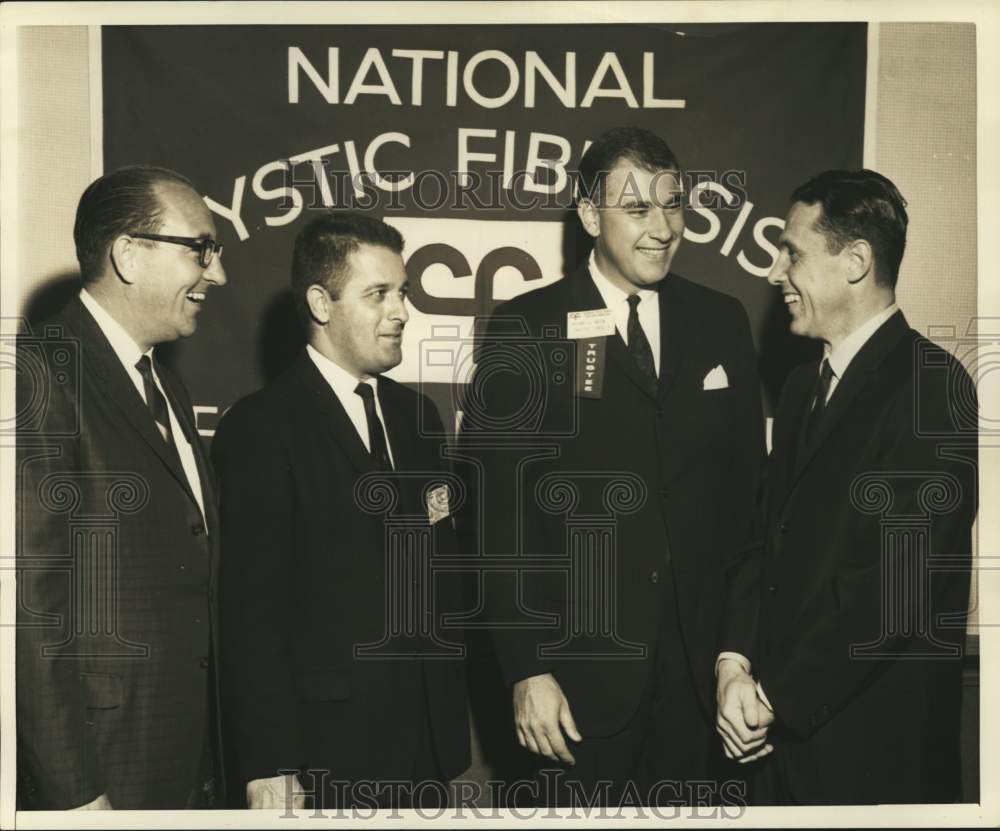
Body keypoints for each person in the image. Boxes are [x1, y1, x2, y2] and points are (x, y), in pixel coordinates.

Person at [458, 127, 766, 805]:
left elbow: (749, 508)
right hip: (574, 685)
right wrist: (525, 667)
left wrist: (734, 654)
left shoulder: (721, 321)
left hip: (699, 689)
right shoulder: (527, 326)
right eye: (638, 210)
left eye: (673, 205)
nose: (663, 229)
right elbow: (497, 514)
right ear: (591, 215)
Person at [716, 169, 978, 804]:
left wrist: (772, 699)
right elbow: (763, 539)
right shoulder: (805, 387)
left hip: (869, 765)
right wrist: (734, 664)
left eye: (794, 253)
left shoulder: (932, 390)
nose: (776, 272)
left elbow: (890, 585)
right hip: (777, 757)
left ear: (857, 261)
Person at [212, 212, 470, 811]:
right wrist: (269, 762)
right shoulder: (261, 428)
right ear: (321, 304)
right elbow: (250, 616)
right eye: (378, 294)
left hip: (427, 748)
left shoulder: (418, 417)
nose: (402, 311)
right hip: (323, 755)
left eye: (402, 292)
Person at [15, 166, 228, 809]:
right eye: (202, 249)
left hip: (182, 760)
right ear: (129, 254)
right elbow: (30, 602)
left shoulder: (167, 385)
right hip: (102, 774)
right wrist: (75, 793)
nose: (217, 276)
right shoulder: (39, 373)